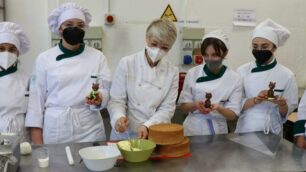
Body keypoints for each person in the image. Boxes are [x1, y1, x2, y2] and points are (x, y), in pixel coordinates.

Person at [25, 2, 111, 144]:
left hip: (89, 126)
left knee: (92, 164)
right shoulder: (44, 59)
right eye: (69, 25)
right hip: (56, 128)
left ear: (85, 28)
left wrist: (100, 97)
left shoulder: (97, 56)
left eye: (80, 25)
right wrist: (38, 147)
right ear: (60, 28)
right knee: (57, 165)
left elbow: (106, 88)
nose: (74, 29)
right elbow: (36, 103)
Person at [107, 18, 178, 140]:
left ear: (170, 48)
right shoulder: (127, 63)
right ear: (147, 38)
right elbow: (116, 100)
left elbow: (167, 108)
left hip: (155, 132)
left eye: (164, 48)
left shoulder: (172, 71)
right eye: (154, 44)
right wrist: (118, 118)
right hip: (125, 134)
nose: (158, 51)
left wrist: (148, 125)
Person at [235, 18, 298, 135]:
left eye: (264, 47)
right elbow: (235, 104)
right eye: (255, 46)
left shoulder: (287, 75)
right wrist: (255, 100)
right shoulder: (242, 71)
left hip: (272, 131)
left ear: (274, 47)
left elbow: (288, 111)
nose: (259, 50)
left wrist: (282, 104)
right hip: (246, 128)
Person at [178, 30, 242, 135]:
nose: (209, 59)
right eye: (206, 55)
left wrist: (219, 108)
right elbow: (183, 107)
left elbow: (233, 115)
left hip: (218, 132)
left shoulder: (234, 78)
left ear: (225, 53)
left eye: (215, 55)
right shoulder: (193, 73)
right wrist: (196, 105)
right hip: (192, 130)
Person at [0, 22, 30, 141]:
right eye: (1, 49)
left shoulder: (27, 78)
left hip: (21, 135)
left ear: (18, 53)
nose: (6, 53)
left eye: (12, 49)